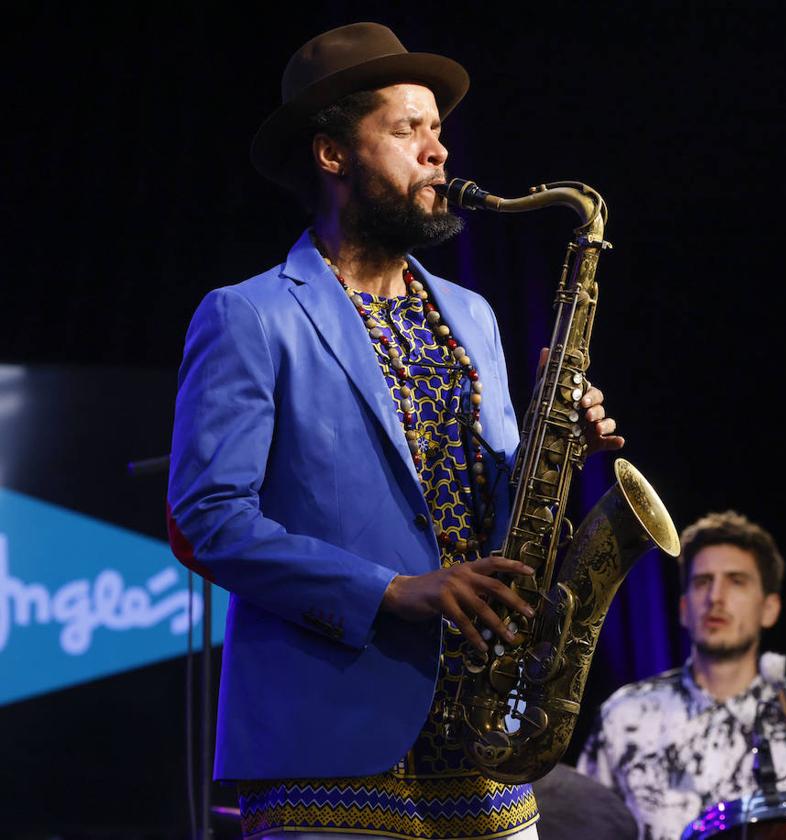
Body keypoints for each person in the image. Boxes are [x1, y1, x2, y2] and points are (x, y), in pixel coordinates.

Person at [166, 22, 623, 840]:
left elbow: (496, 511)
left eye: (438, 131)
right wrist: (390, 590)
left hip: (484, 744)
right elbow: (205, 521)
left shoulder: (472, 315)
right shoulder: (248, 315)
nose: (437, 152)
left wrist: (559, 450)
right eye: (407, 130)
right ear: (333, 154)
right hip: (329, 748)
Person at [576, 511, 786, 840]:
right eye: (702, 582)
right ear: (684, 609)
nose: (716, 598)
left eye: (736, 581)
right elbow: (583, 824)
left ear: (770, 608)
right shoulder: (624, 716)